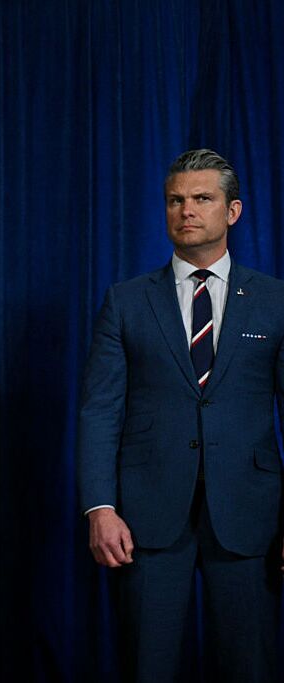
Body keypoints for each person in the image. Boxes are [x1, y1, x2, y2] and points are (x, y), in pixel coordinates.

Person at [77, 149, 284, 682]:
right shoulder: (125, 302)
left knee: (250, 668)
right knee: (147, 667)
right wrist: (100, 508)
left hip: (250, 516)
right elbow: (100, 410)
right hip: (144, 521)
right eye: (176, 200)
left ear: (232, 211)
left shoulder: (274, 302)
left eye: (201, 199)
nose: (186, 210)